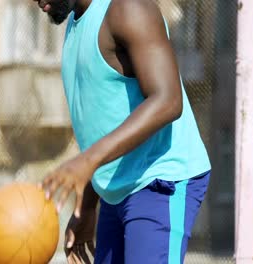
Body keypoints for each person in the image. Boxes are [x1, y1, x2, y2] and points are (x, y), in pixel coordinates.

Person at [34, 0, 212, 263]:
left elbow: (168, 101)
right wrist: (86, 207)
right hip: (116, 190)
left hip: (161, 179)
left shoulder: (127, 8)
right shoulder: (76, 24)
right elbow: (104, 122)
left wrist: (87, 161)